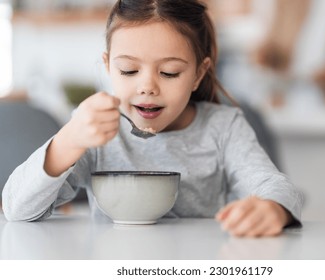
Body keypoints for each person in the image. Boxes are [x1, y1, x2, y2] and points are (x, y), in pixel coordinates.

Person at [2, 0, 303, 237]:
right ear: (108, 66)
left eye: (169, 72)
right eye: (129, 71)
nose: (147, 86)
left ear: (199, 73)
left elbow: (276, 186)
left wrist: (273, 209)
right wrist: (68, 139)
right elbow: (17, 209)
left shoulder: (223, 127)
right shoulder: (94, 132)